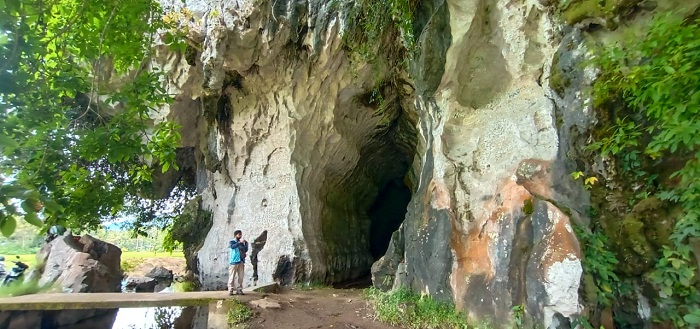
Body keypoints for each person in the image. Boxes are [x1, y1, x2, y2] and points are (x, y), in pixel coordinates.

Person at [228, 229, 249, 295]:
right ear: (235, 235)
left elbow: (245, 250)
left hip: (241, 261)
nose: (240, 236)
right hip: (234, 261)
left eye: (241, 234)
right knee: (232, 276)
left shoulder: (241, 243)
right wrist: (240, 242)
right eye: (239, 234)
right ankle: (230, 290)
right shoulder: (232, 242)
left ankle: (239, 289)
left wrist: (246, 244)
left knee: (240, 276)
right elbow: (233, 247)